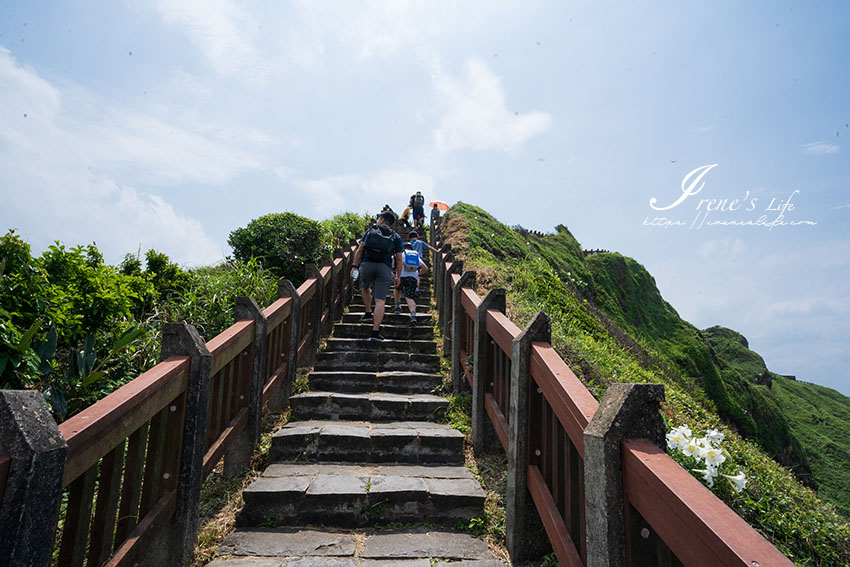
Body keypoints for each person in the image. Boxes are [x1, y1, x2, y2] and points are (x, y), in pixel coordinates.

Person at [351, 211, 403, 341]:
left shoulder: (370, 231)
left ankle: (368, 312)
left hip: (367, 265)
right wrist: (398, 276)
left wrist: (354, 266)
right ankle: (375, 332)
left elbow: (360, 249)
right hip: (384, 268)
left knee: (365, 287)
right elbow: (399, 259)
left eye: (379, 218)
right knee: (380, 300)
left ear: (381, 220)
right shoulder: (396, 237)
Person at [394, 242, 428, 326]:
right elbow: (425, 269)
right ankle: (413, 315)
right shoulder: (416, 256)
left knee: (397, 289)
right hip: (413, 278)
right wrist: (417, 274)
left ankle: (397, 307)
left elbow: (395, 264)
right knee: (409, 297)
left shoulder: (401, 254)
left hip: (401, 276)